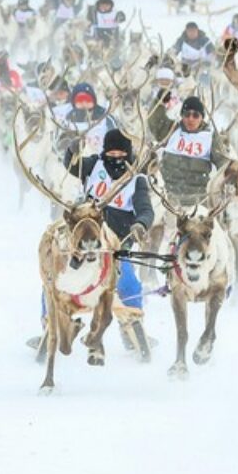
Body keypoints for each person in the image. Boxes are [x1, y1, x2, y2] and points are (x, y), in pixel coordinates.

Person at [64, 129, 154, 333]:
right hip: (86, 238)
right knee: (59, 273)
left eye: (121, 155)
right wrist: (72, 150)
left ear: (128, 155)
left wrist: (141, 224)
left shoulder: (136, 179)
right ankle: (49, 321)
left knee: (128, 282)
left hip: (119, 242)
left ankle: (134, 325)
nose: (116, 159)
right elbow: (72, 165)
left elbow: (146, 209)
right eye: (111, 154)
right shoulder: (93, 165)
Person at [154, 96, 227, 209]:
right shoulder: (172, 131)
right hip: (167, 198)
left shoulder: (210, 138)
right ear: (182, 116)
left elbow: (224, 165)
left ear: (202, 118)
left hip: (197, 201)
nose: (191, 119)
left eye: (195, 115)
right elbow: (154, 122)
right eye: (187, 115)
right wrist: (161, 99)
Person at [61, 81, 118, 159]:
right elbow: (61, 145)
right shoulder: (68, 120)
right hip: (78, 163)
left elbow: (117, 137)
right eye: (80, 100)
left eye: (88, 100)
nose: (84, 103)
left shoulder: (105, 116)